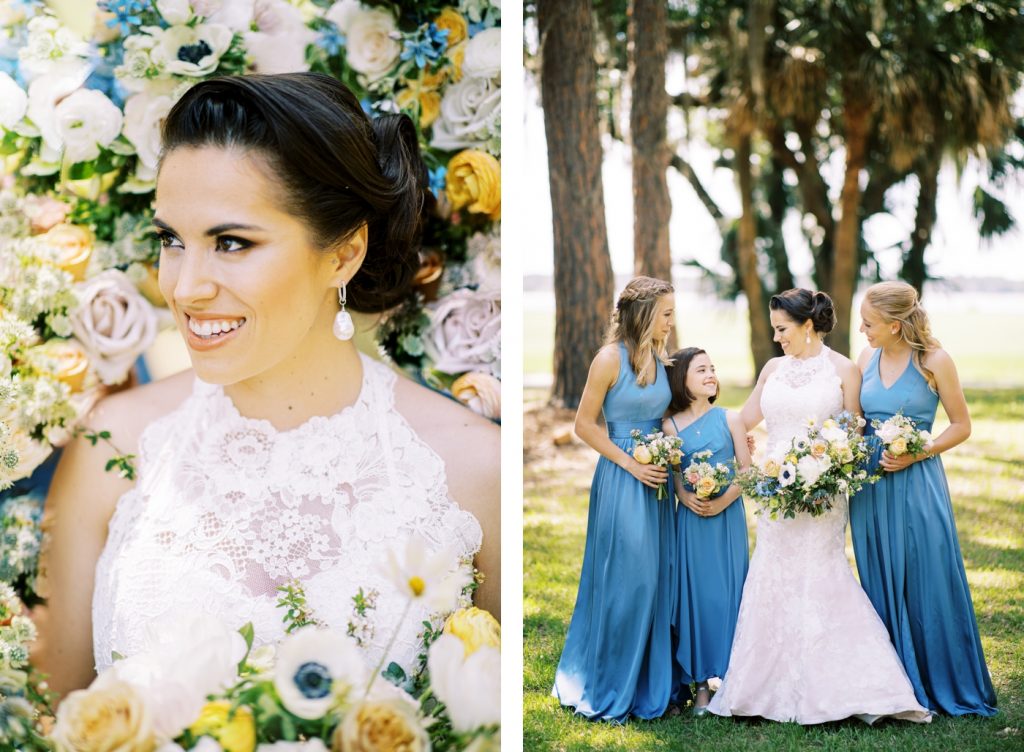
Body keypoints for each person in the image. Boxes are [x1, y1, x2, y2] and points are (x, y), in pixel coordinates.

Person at [33, 73, 499, 699]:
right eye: (171, 239)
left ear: (343, 254)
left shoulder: (471, 469)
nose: (186, 286)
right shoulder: (113, 444)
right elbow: (46, 721)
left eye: (230, 242)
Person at [707, 288, 930, 725]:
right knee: (771, 576)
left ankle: (852, 688)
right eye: (774, 329)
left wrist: (825, 469)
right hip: (775, 496)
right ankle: (759, 689)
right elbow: (742, 419)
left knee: (822, 576)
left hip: (823, 494)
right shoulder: (773, 368)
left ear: (808, 325)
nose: (777, 338)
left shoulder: (846, 370)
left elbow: (853, 434)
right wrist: (744, 457)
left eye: (782, 329)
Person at [851, 281, 997, 716]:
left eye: (870, 323)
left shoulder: (935, 360)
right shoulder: (866, 359)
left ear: (896, 326)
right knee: (879, 575)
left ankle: (940, 680)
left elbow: (961, 425)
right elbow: (856, 421)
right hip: (870, 485)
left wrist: (920, 451)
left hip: (917, 483)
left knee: (925, 574)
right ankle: (891, 687)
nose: (862, 329)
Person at [552, 276, 676, 722]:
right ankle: (609, 675)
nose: (670, 321)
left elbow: (665, 419)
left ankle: (651, 677)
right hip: (624, 479)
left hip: (658, 480)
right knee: (630, 577)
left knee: (658, 577)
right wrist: (631, 464)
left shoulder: (661, 358)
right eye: (665, 314)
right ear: (643, 315)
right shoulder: (608, 360)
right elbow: (584, 425)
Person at [662, 347, 750, 716]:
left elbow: (747, 471)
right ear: (682, 379)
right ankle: (700, 686)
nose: (711, 374)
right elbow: (677, 476)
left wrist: (723, 500)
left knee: (730, 593)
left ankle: (735, 680)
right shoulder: (671, 427)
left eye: (712, 368)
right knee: (696, 598)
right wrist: (687, 496)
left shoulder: (730, 419)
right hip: (693, 521)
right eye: (701, 370)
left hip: (727, 519)